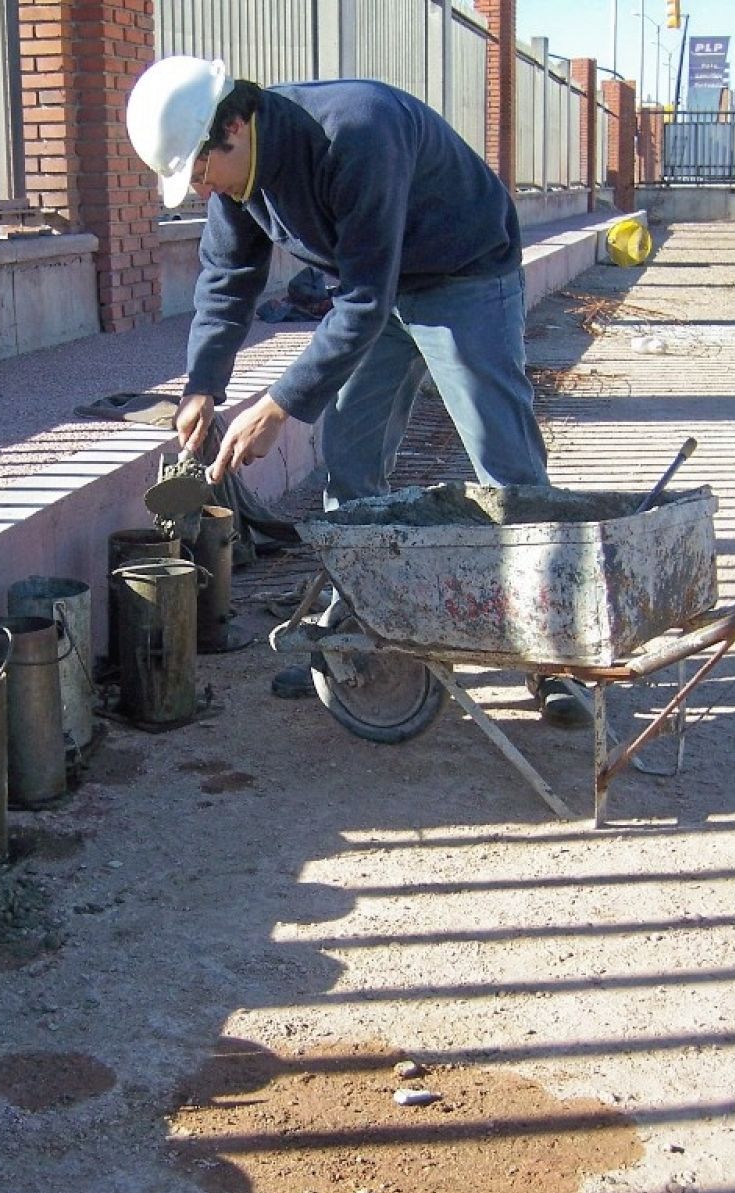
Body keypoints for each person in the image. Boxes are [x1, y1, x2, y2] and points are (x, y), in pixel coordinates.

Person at [124, 56, 589, 728]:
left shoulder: (355, 135)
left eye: (199, 171)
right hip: (380, 285)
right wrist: (203, 385)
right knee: (349, 456)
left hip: (462, 272)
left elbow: (364, 303)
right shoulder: (237, 181)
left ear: (234, 125)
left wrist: (280, 405)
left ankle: (557, 658)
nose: (199, 190)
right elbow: (228, 282)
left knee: (503, 461)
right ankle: (357, 643)